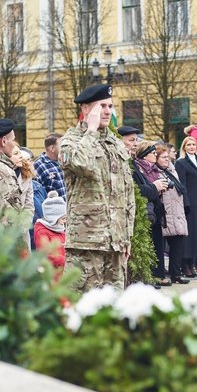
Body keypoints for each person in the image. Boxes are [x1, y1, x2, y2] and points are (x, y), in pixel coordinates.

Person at [59, 83, 135, 292]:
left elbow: (127, 191)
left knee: (114, 309)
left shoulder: (115, 144)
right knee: (83, 308)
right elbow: (81, 164)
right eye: (102, 106)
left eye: (110, 106)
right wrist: (91, 130)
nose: (108, 111)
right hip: (86, 244)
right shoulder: (70, 142)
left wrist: (126, 235)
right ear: (85, 109)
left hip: (115, 242)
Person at [135, 141, 170, 285]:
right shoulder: (139, 168)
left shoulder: (153, 169)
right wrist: (155, 187)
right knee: (149, 245)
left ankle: (158, 275)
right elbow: (141, 188)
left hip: (156, 208)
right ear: (145, 154)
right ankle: (151, 276)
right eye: (153, 153)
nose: (155, 156)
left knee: (157, 244)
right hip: (146, 210)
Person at [155, 144, 189, 284]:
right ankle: (161, 274)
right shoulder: (155, 172)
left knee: (177, 245)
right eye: (163, 158)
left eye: (168, 157)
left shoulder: (172, 171)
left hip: (177, 213)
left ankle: (176, 273)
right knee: (161, 247)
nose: (166, 160)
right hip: (164, 214)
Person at [176, 136, 197, 277]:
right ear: (184, 147)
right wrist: (186, 203)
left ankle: (194, 263)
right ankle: (185, 264)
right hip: (189, 203)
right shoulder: (181, 163)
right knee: (189, 235)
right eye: (188, 144)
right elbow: (182, 185)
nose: (192, 147)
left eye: (193, 144)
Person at [34, 190, 67, 270]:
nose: (65, 221)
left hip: (63, 270)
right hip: (52, 273)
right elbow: (46, 255)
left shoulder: (59, 228)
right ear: (53, 218)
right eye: (63, 218)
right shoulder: (42, 232)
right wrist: (66, 261)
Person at [33, 133, 66, 201]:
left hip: (69, 209)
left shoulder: (66, 162)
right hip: (53, 210)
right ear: (52, 148)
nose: (65, 149)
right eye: (62, 146)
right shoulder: (38, 166)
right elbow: (37, 195)